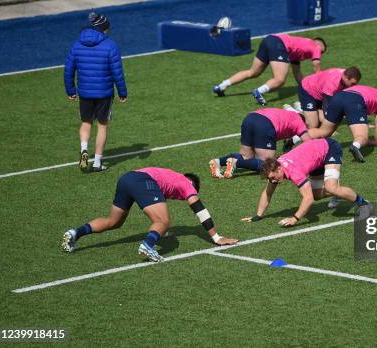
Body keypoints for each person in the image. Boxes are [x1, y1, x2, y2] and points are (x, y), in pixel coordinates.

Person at [62, 167, 238, 262]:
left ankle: (75, 233)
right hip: (142, 181)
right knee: (163, 220)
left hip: (127, 178)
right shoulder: (187, 184)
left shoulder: (172, 178)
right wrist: (216, 237)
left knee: (113, 221)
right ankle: (147, 245)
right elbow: (199, 209)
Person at [241, 138, 371, 227]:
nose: (273, 181)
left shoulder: (293, 171)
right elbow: (267, 193)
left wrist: (295, 218)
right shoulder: (276, 171)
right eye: (270, 179)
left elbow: (308, 199)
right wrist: (258, 215)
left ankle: (364, 204)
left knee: (331, 188)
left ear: (279, 169)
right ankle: (338, 193)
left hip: (329, 148)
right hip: (316, 159)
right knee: (316, 194)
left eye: (273, 177)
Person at [64, 12, 128, 172]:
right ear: (103, 29)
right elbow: (117, 72)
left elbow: (68, 70)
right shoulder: (110, 46)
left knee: (86, 123)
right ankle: (97, 162)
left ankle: (84, 150)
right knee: (102, 126)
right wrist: (122, 92)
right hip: (104, 93)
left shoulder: (76, 45)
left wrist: (70, 90)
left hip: (85, 93)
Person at [212, 34, 327, 105]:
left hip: (269, 40)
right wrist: (321, 83)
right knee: (280, 79)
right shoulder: (315, 46)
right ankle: (258, 92)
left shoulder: (299, 50)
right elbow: (316, 64)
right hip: (279, 44)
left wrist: (306, 89)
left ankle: (221, 86)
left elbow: (297, 73)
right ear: (318, 44)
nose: (320, 54)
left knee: (253, 72)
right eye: (322, 52)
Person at [209, 107, 311, 179]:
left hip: (250, 118)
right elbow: (309, 143)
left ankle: (218, 162)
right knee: (267, 164)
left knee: (246, 156)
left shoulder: (288, 115)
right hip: (265, 124)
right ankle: (236, 163)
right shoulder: (300, 122)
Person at [307, 85, 377, 163]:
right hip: (354, 101)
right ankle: (355, 146)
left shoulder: (366, 89)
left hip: (338, 97)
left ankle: (297, 136)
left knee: (324, 131)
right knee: (361, 137)